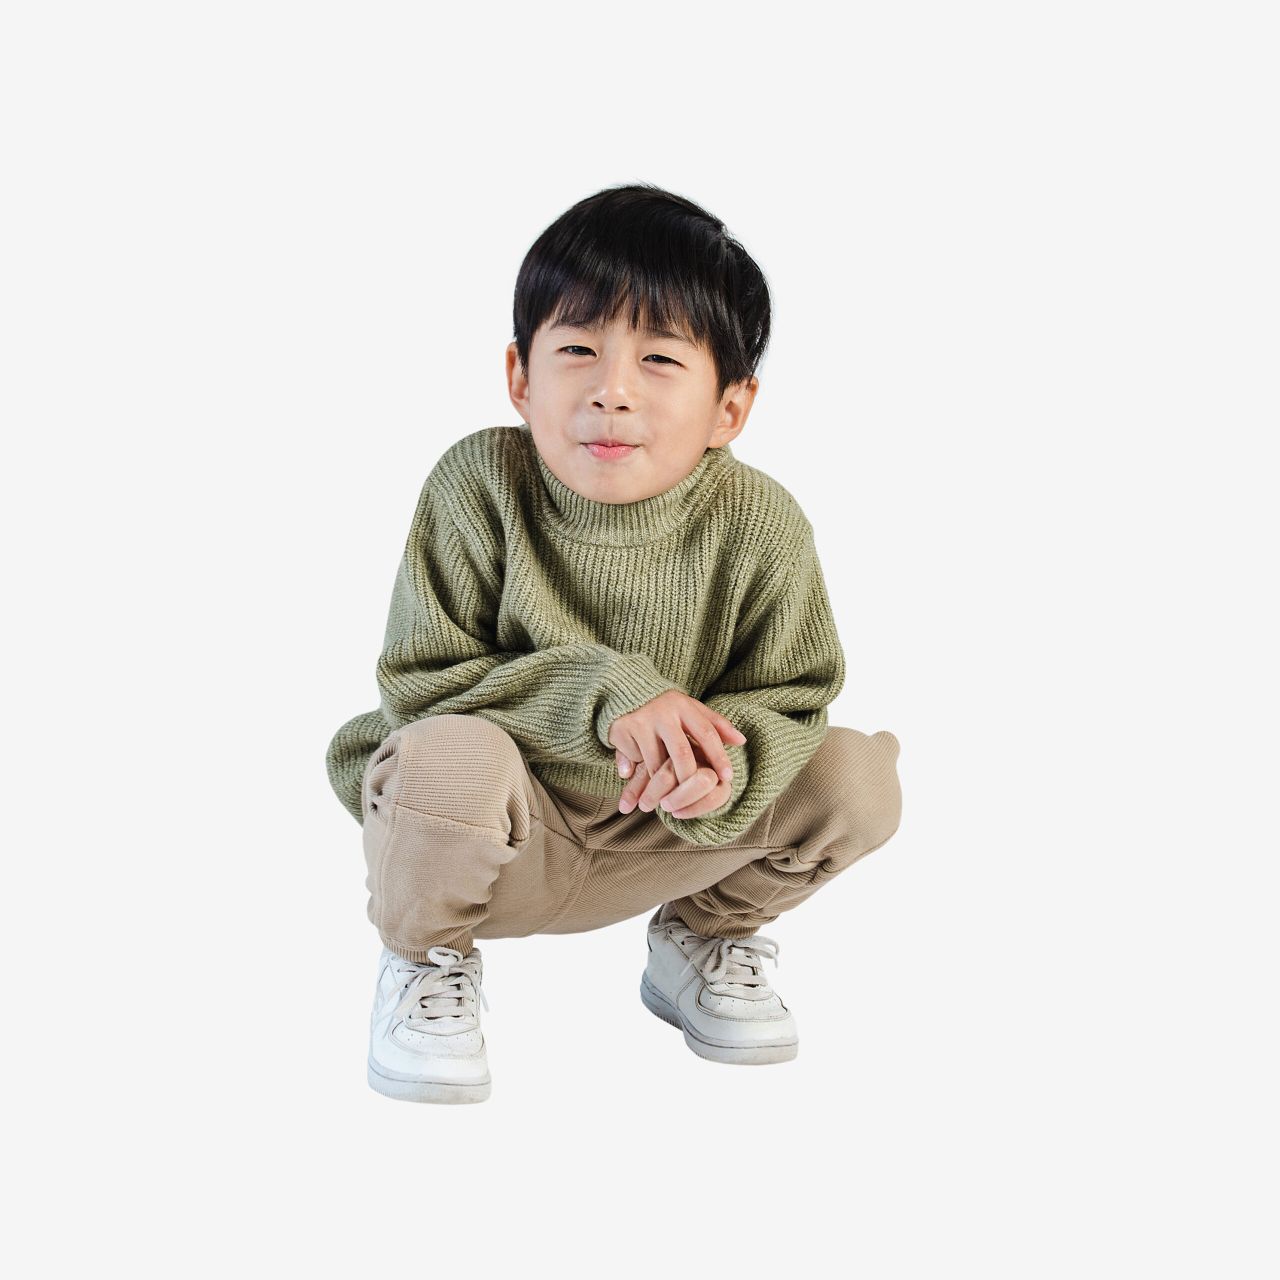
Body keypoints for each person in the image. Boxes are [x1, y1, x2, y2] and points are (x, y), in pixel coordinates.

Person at [325, 182, 903, 1104]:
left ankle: (701, 936)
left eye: (661, 359)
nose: (612, 391)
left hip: (672, 832)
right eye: (578, 350)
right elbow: (421, 685)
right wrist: (610, 693)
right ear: (521, 376)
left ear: (730, 408)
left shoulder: (761, 522)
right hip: (503, 841)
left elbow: (792, 692)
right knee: (447, 757)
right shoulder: (480, 483)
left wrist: (725, 769)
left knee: (856, 780)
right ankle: (426, 959)